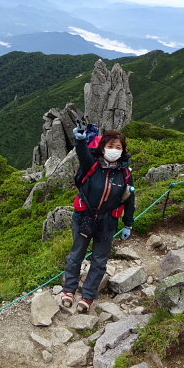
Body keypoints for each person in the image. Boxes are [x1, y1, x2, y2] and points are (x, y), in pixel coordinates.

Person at [61, 124, 135, 313]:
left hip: (108, 221)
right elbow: (83, 153)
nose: (114, 150)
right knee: (76, 254)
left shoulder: (125, 173)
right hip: (84, 217)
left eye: (118, 147)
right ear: (102, 148)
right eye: (110, 146)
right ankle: (69, 291)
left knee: (99, 260)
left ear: (123, 151)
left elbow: (129, 198)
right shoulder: (92, 165)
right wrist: (79, 140)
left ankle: (87, 296)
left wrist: (128, 223)